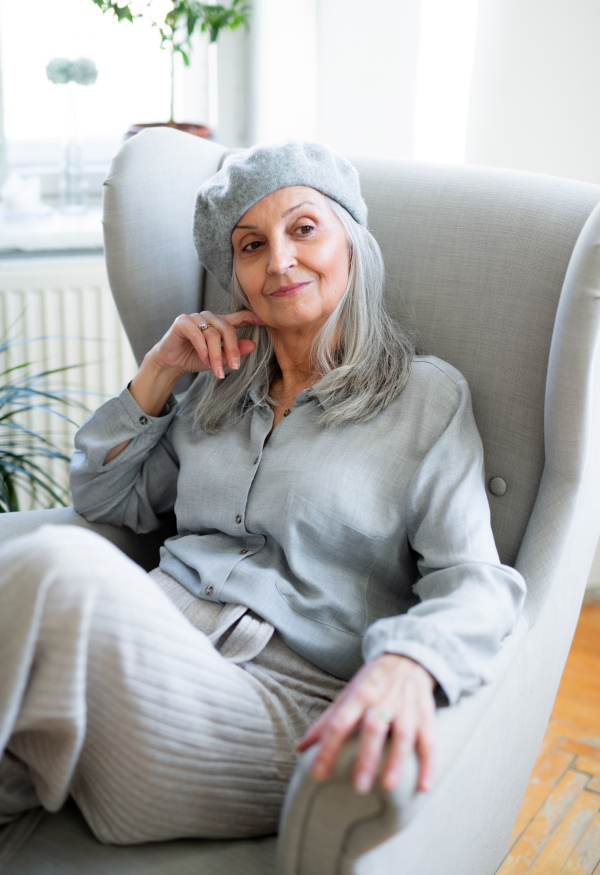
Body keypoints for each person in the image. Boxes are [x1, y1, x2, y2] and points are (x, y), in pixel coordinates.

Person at [0, 140, 526, 847]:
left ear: (351, 244)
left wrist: (412, 659)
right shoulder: (213, 387)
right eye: (251, 245)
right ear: (237, 276)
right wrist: (160, 370)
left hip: (275, 709)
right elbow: (104, 497)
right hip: (152, 656)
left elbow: (475, 579)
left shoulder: (424, 399)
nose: (279, 260)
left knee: (53, 564)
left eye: (303, 229)